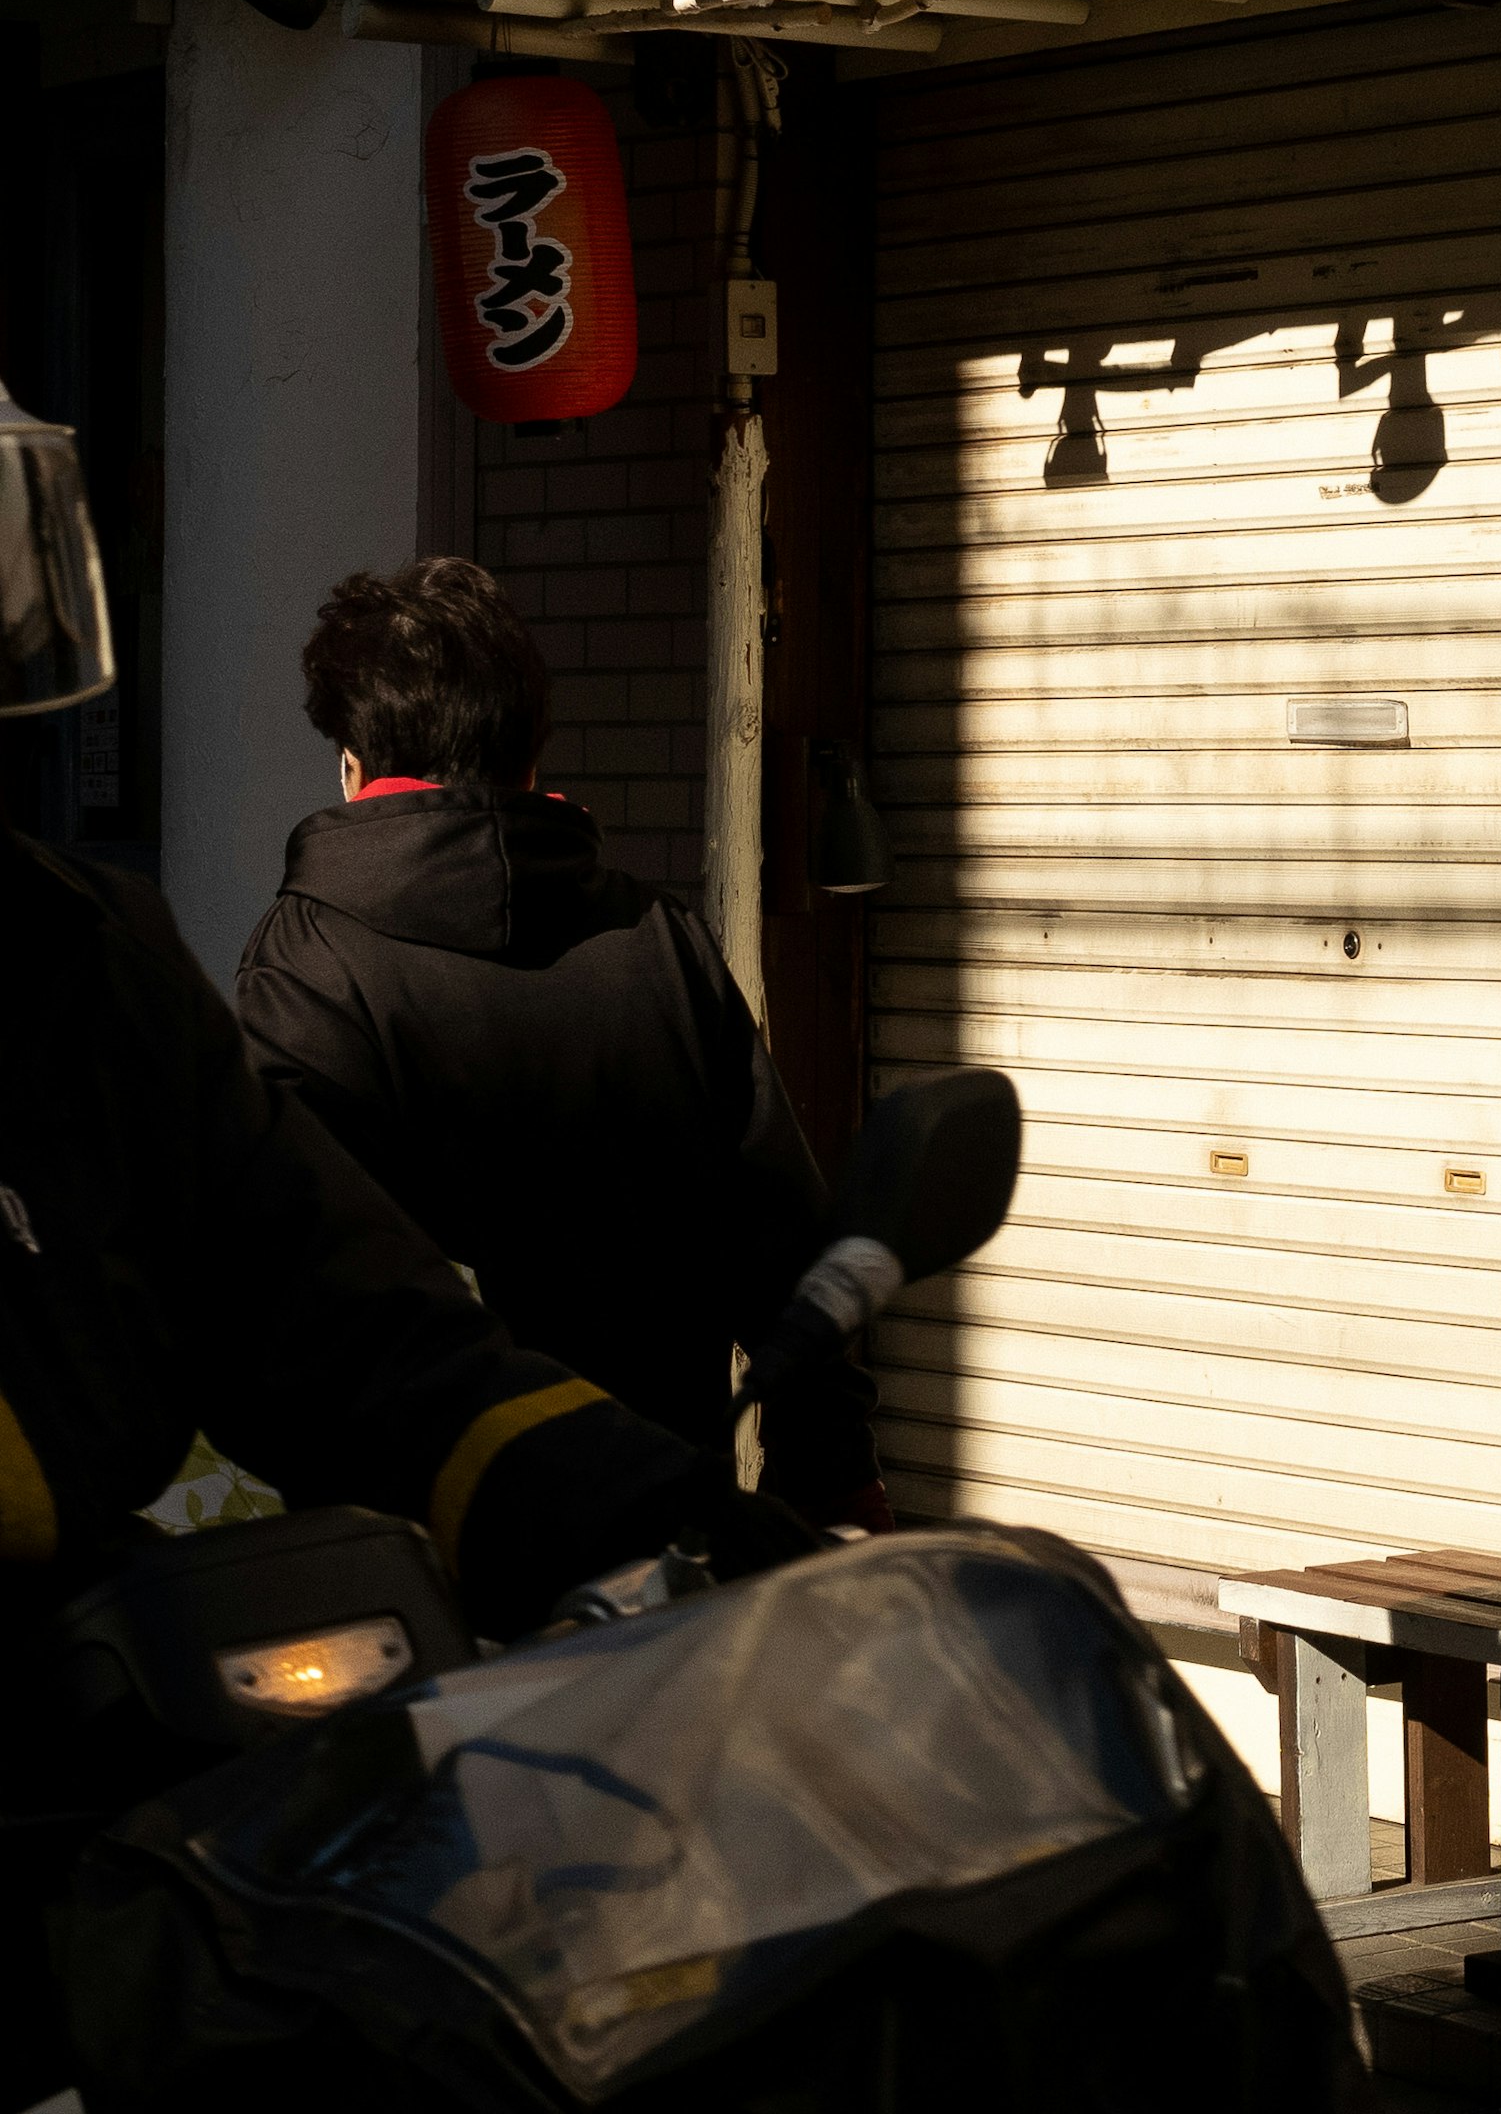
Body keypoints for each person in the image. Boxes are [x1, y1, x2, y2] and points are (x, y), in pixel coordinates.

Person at [0, 383, 782, 2108]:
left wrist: (660, 1507)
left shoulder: (78, 959)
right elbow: (772, 1213)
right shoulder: (662, 942)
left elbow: (338, 1307)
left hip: (112, 1804)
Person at [234, 557, 884, 1530]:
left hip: (419, 1570)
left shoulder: (308, 965)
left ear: (352, 767)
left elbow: (281, 1293)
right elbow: (790, 1255)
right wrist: (838, 1487)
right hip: (664, 1547)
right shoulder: (661, 946)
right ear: (531, 760)